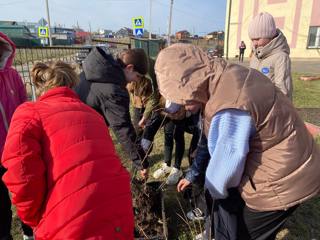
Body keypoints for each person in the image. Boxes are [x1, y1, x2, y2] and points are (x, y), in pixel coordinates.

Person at [155, 43, 320, 240]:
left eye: (184, 99)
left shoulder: (228, 107)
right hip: (295, 160)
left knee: (243, 234)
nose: (187, 107)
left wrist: (211, 194)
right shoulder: (228, 75)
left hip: (284, 178)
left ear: (191, 83)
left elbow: (227, 166)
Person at [1, 61, 134, 239]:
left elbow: (22, 175)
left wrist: (33, 219)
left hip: (70, 225)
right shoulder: (93, 114)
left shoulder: (29, 114)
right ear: (72, 83)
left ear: (39, 85)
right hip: (119, 212)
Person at [75, 47, 149, 177]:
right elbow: (123, 129)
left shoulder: (94, 71)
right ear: (130, 68)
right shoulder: (114, 91)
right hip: (83, 140)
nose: (136, 80)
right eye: (137, 76)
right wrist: (142, 162)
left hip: (73, 131)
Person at [0, 32, 34, 240]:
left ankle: (29, 233)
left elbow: (24, 106)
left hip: (16, 148)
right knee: (1, 206)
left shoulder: (12, 75)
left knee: (25, 194)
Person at [249, 12, 293, 100]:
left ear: (270, 35)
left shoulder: (281, 57)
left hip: (273, 106)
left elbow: (283, 90)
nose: (254, 43)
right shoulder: (255, 55)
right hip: (258, 104)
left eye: (257, 39)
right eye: (252, 39)